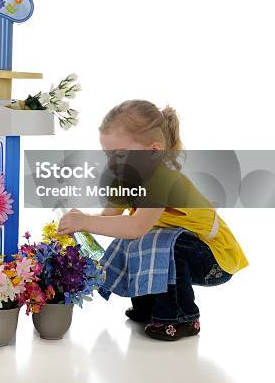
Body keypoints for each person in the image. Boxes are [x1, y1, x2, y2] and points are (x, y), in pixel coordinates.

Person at [57, 100, 248, 341]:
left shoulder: (161, 180)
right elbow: (109, 221)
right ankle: (149, 307)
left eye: (122, 154)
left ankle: (181, 317)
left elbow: (137, 226)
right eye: (108, 154)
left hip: (213, 258)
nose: (112, 163)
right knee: (136, 240)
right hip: (184, 250)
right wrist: (80, 221)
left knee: (156, 239)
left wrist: (84, 221)